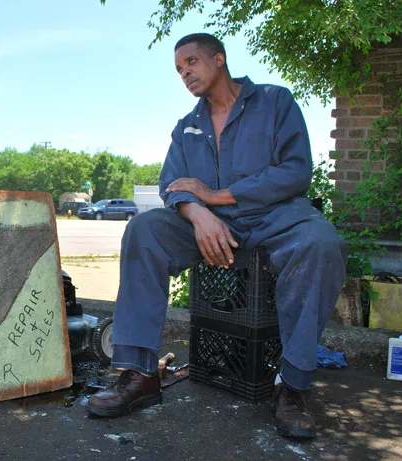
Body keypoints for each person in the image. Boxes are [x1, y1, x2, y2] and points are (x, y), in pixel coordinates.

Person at [85, 33, 347, 440]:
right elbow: (172, 184)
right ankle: (138, 375)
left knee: (322, 243)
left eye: (191, 62)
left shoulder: (276, 102)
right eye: (178, 69)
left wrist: (217, 194)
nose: (185, 72)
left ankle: (291, 387)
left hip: (276, 218)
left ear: (219, 59)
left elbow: (296, 172)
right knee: (144, 229)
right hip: (211, 226)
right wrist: (199, 213)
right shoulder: (187, 128)